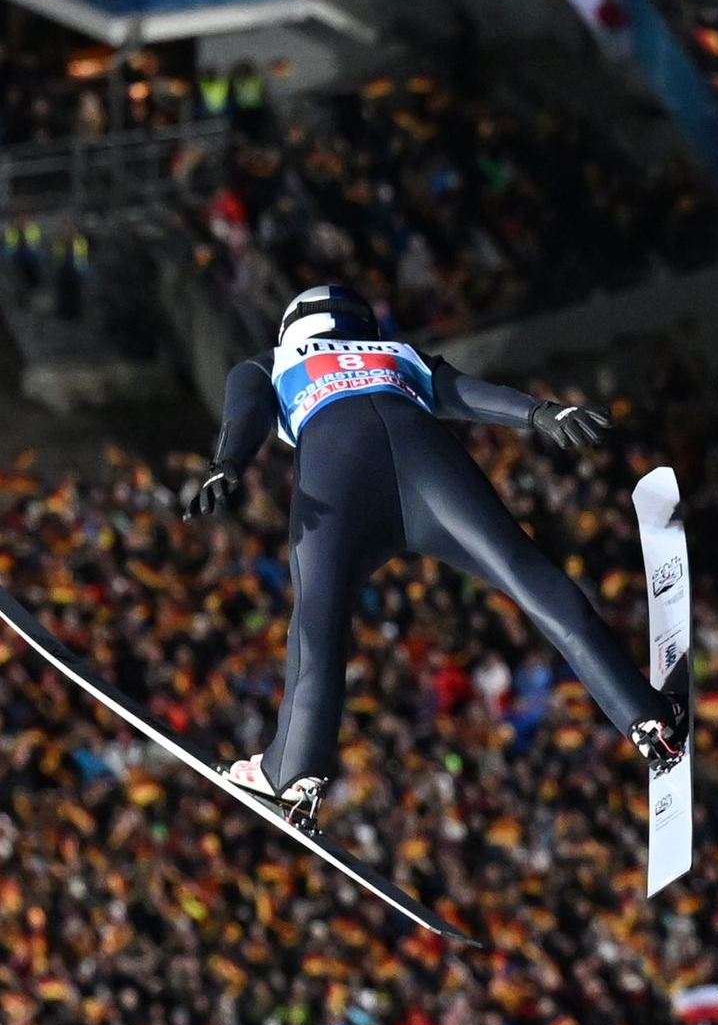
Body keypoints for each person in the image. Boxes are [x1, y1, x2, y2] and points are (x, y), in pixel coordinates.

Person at [182, 285, 686, 813]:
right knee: (525, 572)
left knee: (318, 621)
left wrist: (227, 463)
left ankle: (295, 768)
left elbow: (245, 412)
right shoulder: (394, 351)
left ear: (292, 327)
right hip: (426, 458)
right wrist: (540, 412)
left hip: (337, 471)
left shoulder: (272, 361)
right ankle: (645, 716)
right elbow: (466, 393)